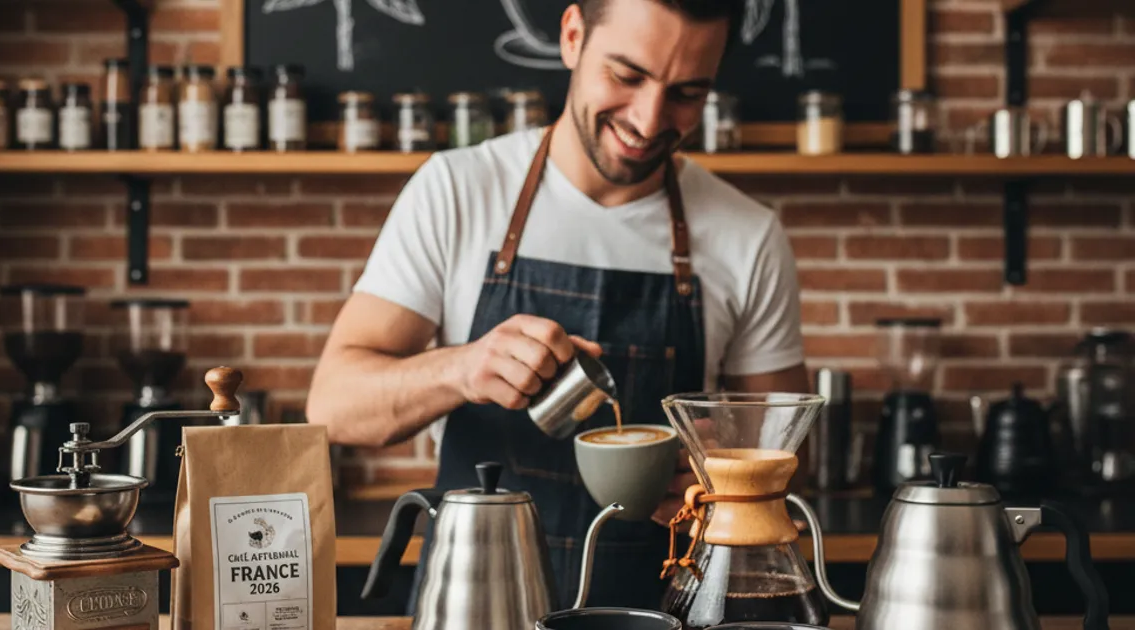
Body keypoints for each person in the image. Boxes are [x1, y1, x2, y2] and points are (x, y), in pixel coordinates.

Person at [306, 0, 809, 610]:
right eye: (626, 76)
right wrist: (460, 368)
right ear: (572, 37)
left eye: (686, 93)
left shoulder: (746, 235)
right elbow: (333, 405)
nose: (649, 120)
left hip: (661, 607)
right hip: (476, 603)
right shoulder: (456, 191)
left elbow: (787, 458)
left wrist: (724, 478)